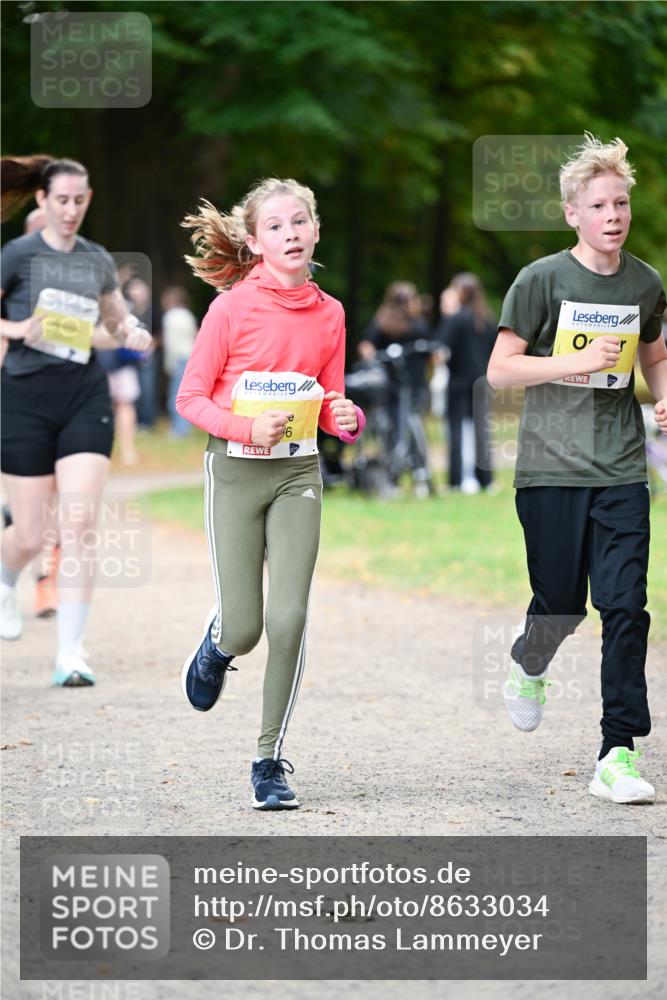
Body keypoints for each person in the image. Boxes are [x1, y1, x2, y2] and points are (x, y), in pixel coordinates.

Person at [487, 134, 667, 804]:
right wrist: (575, 363)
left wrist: (663, 392)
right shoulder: (540, 280)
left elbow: (652, 353)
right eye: (598, 205)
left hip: (620, 467)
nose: (613, 214)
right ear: (573, 214)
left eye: (621, 202)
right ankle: (529, 661)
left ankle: (616, 751)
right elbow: (499, 368)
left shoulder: (644, 281)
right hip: (549, 469)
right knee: (561, 605)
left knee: (624, 607)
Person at [176, 178, 365, 810]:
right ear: (256, 243)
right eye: (276, 226)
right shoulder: (230, 309)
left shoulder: (331, 312)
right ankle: (219, 642)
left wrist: (345, 419)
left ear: (315, 230)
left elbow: (330, 402)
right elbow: (190, 399)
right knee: (248, 626)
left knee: (288, 618)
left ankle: (267, 759)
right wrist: (243, 426)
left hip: (296, 473)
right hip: (233, 471)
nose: (290, 234)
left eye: (299, 222)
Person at [0, 154, 151, 683]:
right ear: (42, 199)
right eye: (60, 200)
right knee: (29, 532)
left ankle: (70, 654)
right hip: (24, 399)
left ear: (88, 200)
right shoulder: (16, 255)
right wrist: (20, 331)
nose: (70, 210)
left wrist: (131, 331)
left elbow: (109, 327)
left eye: (78, 200)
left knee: (79, 525)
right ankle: (5, 576)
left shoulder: (97, 260)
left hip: (84, 397)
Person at [358, 281, 433, 494]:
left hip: (404, 386)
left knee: (404, 428)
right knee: (399, 428)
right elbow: (367, 346)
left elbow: (366, 345)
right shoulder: (405, 323)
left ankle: (407, 473)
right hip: (398, 386)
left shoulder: (386, 322)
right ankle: (404, 472)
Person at [437, 273, 496, 493]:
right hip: (482, 380)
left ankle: (456, 480)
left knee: (455, 428)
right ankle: (486, 479)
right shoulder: (487, 319)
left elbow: (441, 348)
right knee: (482, 429)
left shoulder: (457, 319)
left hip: (459, 381)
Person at [161, 285, 197, 437]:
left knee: (175, 395)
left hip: (179, 359)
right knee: (186, 393)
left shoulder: (170, 316)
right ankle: (184, 428)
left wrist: (169, 364)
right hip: (190, 357)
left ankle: (179, 430)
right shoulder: (188, 315)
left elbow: (171, 344)